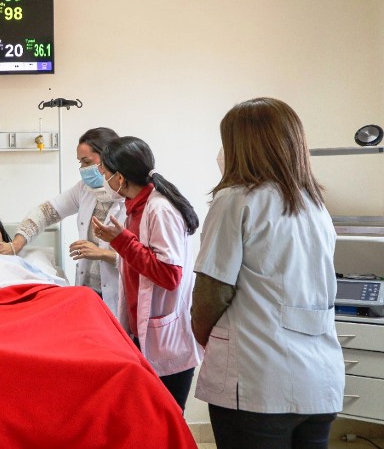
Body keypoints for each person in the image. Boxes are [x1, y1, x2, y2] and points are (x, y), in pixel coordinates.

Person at [190, 98, 344, 448]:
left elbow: (212, 291)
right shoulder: (314, 204)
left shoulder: (235, 199)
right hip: (318, 381)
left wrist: (203, 335)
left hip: (257, 381)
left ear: (241, 145)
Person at [91, 136, 202, 411]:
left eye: (104, 172)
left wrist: (122, 242)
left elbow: (169, 275)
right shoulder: (135, 207)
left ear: (119, 177)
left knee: (165, 420)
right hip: (142, 334)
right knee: (147, 419)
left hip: (165, 340)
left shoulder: (159, 209)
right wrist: (120, 241)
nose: (103, 179)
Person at [0, 127, 125, 316]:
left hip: (120, 291)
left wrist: (102, 254)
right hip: (90, 292)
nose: (83, 169)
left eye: (86, 161)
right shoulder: (84, 189)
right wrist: (16, 245)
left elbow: (145, 259)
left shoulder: (130, 197)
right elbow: (45, 213)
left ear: (108, 157)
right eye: (80, 162)